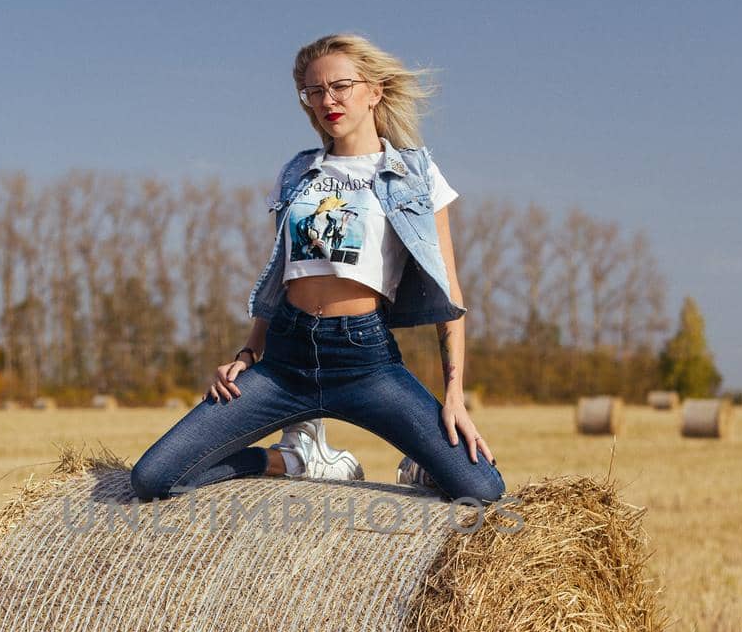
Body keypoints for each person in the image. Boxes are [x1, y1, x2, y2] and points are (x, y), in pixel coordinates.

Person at [129, 32, 505, 505]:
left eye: (340, 86)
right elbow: (284, 271)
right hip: (285, 359)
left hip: (364, 360)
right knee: (154, 478)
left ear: (375, 90)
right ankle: (292, 461)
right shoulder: (298, 172)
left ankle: (422, 461)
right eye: (314, 91)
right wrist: (247, 354)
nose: (327, 100)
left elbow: (450, 292)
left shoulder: (416, 173)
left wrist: (454, 396)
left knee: (482, 489)